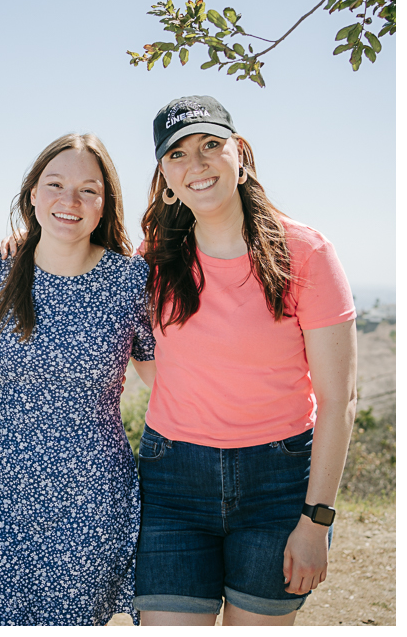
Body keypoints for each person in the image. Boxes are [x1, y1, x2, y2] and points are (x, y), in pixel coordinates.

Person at [133, 95, 357, 626]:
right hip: (173, 483)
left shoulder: (306, 254)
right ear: (165, 175)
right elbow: (71, 248)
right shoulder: (153, 259)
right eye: (179, 154)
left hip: (277, 485)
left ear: (241, 153)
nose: (198, 164)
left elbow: (338, 399)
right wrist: (19, 239)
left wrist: (316, 522)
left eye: (212, 145)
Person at [0, 134, 156, 625]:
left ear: (104, 206)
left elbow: (171, 384)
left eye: (88, 190)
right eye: (54, 184)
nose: (69, 201)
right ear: (32, 194)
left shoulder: (132, 282)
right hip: (0, 496)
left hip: (92, 500)